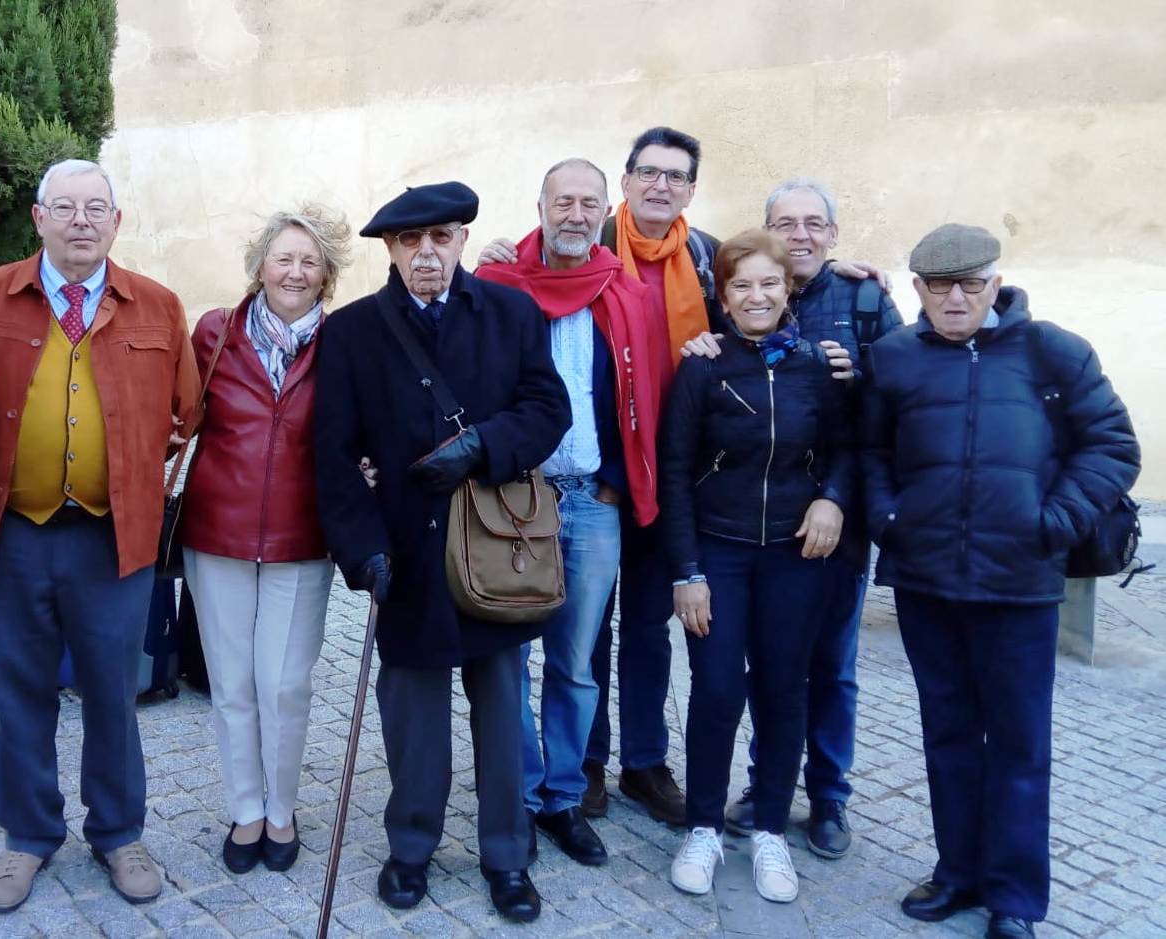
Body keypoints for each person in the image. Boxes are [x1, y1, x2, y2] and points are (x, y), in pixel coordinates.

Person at [861, 224, 1139, 939]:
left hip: (1019, 583)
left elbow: (1112, 445)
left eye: (970, 283)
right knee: (947, 735)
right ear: (916, 289)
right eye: (938, 285)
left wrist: (1051, 522)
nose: (955, 297)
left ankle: (1014, 896)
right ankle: (957, 871)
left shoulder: (1053, 351)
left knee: (1018, 744)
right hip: (927, 579)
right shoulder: (893, 358)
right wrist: (887, 517)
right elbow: (867, 450)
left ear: (995, 283)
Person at [312, 181, 570, 923]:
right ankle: (411, 845)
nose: (426, 253)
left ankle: (506, 855)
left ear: (461, 241)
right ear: (391, 250)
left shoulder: (511, 311)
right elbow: (332, 456)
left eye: (441, 238)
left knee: (499, 710)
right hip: (406, 550)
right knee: (412, 717)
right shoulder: (354, 331)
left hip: (496, 548)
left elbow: (547, 408)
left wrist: (484, 446)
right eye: (409, 241)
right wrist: (362, 553)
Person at [0, 159, 199, 913]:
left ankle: (119, 830)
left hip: (112, 536)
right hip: (8, 534)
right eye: (64, 207)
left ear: (117, 221)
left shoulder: (157, 307)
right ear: (38, 219)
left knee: (110, 691)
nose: (81, 220)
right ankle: (27, 836)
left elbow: (187, 414)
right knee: (19, 690)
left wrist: (127, 467)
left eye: (96, 207)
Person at [684, 177, 903, 858]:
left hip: (827, 524)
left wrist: (836, 496)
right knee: (738, 679)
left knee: (821, 668)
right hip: (733, 533)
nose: (800, 233)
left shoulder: (863, 299)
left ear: (832, 235)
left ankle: (824, 798)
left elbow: (884, 406)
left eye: (814, 222)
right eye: (786, 222)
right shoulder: (720, 338)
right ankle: (742, 800)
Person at [474, 158, 672, 868]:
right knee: (509, 657)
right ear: (540, 206)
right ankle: (520, 795)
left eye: (589, 202)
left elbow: (647, 394)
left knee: (576, 662)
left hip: (591, 502)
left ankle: (562, 795)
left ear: (603, 211)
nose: (576, 213)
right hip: (513, 501)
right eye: (563, 200)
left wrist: (618, 482)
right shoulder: (497, 287)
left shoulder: (626, 293)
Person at [658, 229, 852, 904]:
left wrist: (831, 497)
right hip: (718, 549)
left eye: (768, 282)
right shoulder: (702, 366)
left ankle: (768, 823)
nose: (756, 295)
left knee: (782, 687)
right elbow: (675, 471)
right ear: (723, 295)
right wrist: (686, 569)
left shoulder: (817, 366)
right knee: (715, 688)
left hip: (796, 555)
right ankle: (704, 825)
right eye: (741, 285)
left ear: (787, 287)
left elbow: (846, 448)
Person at [178, 204, 353, 874]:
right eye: (283, 257)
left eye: (309, 260)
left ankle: (282, 808)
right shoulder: (214, 333)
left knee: (283, 683)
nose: (295, 270)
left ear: (326, 275)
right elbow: (181, 417)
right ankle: (246, 808)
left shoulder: (343, 342)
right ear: (259, 265)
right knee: (231, 683)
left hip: (301, 535)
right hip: (216, 530)